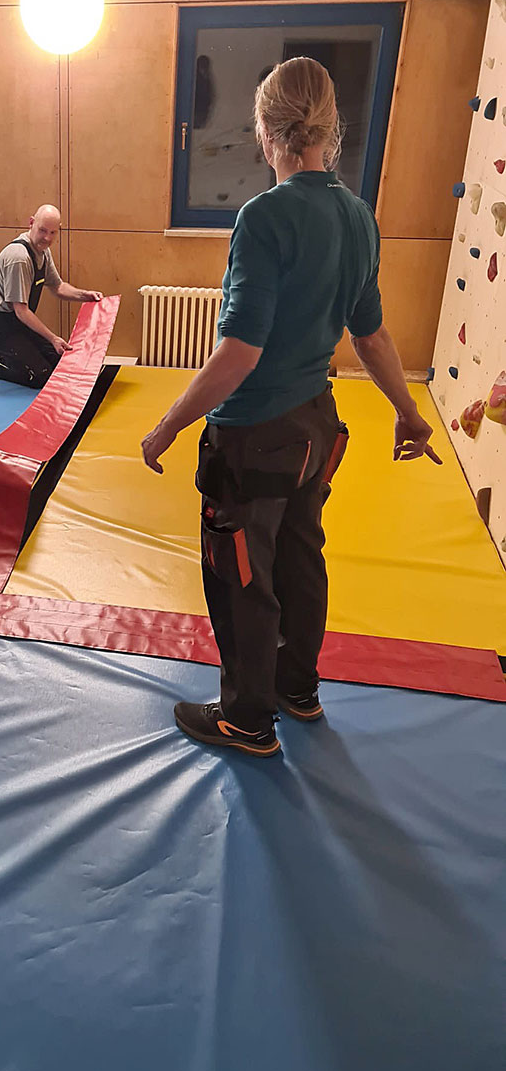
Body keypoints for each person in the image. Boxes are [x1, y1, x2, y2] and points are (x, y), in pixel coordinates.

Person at [141, 57, 441, 758]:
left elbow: (240, 353)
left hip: (254, 437)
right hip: (316, 429)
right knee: (301, 556)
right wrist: (407, 410)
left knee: (243, 572)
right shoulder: (356, 215)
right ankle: (297, 689)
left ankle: (247, 717)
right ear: (329, 130)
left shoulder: (265, 217)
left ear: (264, 130)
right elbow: (370, 334)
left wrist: (167, 425)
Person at [0, 204, 103, 388]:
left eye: (52, 233)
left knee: (59, 362)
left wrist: (85, 295)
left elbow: (58, 287)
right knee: (40, 376)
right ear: (31, 222)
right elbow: (21, 311)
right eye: (42, 230)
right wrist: (53, 338)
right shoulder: (19, 258)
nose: (47, 238)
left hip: (19, 324)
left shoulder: (42, 251)